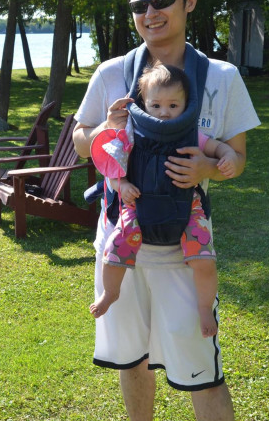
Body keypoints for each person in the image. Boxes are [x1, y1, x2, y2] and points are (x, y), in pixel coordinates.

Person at [73, 0, 261, 421]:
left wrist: (209, 170)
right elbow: (79, 140)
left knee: (203, 369)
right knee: (131, 357)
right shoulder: (112, 73)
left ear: (189, 1)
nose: (150, 12)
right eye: (140, 5)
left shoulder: (221, 77)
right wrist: (104, 130)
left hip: (185, 251)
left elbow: (236, 156)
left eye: (162, 0)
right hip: (121, 241)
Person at [90, 64, 239, 342]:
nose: (164, 112)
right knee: (114, 252)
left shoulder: (189, 132)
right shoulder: (132, 133)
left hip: (186, 209)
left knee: (204, 261)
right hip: (136, 206)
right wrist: (122, 186)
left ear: (186, 104)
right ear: (144, 103)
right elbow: (112, 166)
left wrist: (227, 154)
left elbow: (216, 147)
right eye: (156, 105)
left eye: (173, 105)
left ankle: (205, 308)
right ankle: (110, 294)